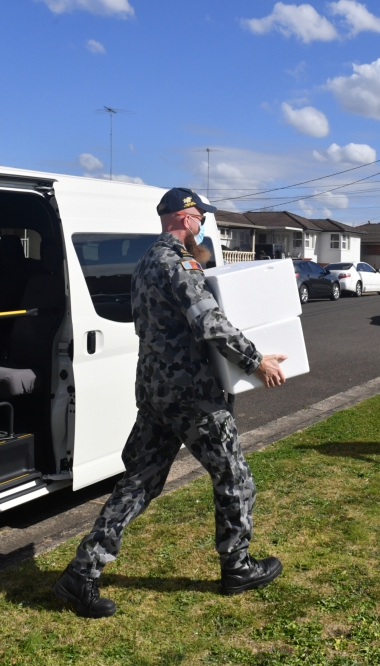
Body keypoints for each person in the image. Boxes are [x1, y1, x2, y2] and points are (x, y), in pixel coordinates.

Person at [54, 187, 288, 618]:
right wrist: (257, 362)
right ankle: (237, 567)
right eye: (200, 216)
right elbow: (209, 322)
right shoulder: (178, 263)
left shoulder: (144, 262)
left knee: (139, 483)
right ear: (184, 217)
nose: (203, 223)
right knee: (235, 478)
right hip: (192, 395)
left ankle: (81, 574)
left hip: (156, 391)